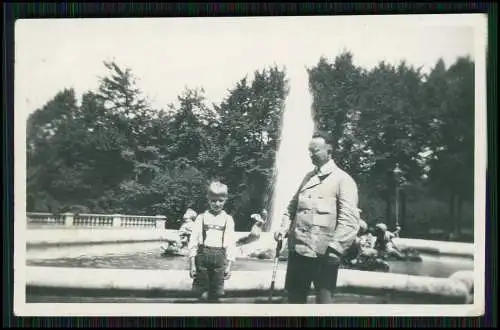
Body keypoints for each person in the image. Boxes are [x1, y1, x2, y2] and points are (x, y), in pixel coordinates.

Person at [274, 130, 360, 304]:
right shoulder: (308, 177)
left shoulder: (343, 180)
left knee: (324, 303)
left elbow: (349, 221)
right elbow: (292, 207)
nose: (310, 154)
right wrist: (283, 228)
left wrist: (335, 249)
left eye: (315, 150)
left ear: (329, 151)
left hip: (324, 255)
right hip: (298, 251)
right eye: (309, 150)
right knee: (294, 301)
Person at [187, 180, 237, 303]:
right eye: (213, 200)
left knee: (217, 293)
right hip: (202, 257)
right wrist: (192, 265)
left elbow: (231, 244)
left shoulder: (228, 219)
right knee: (202, 293)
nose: (217, 203)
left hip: (220, 258)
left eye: (220, 200)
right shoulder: (201, 218)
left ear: (225, 200)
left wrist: (229, 266)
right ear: (208, 199)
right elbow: (193, 242)